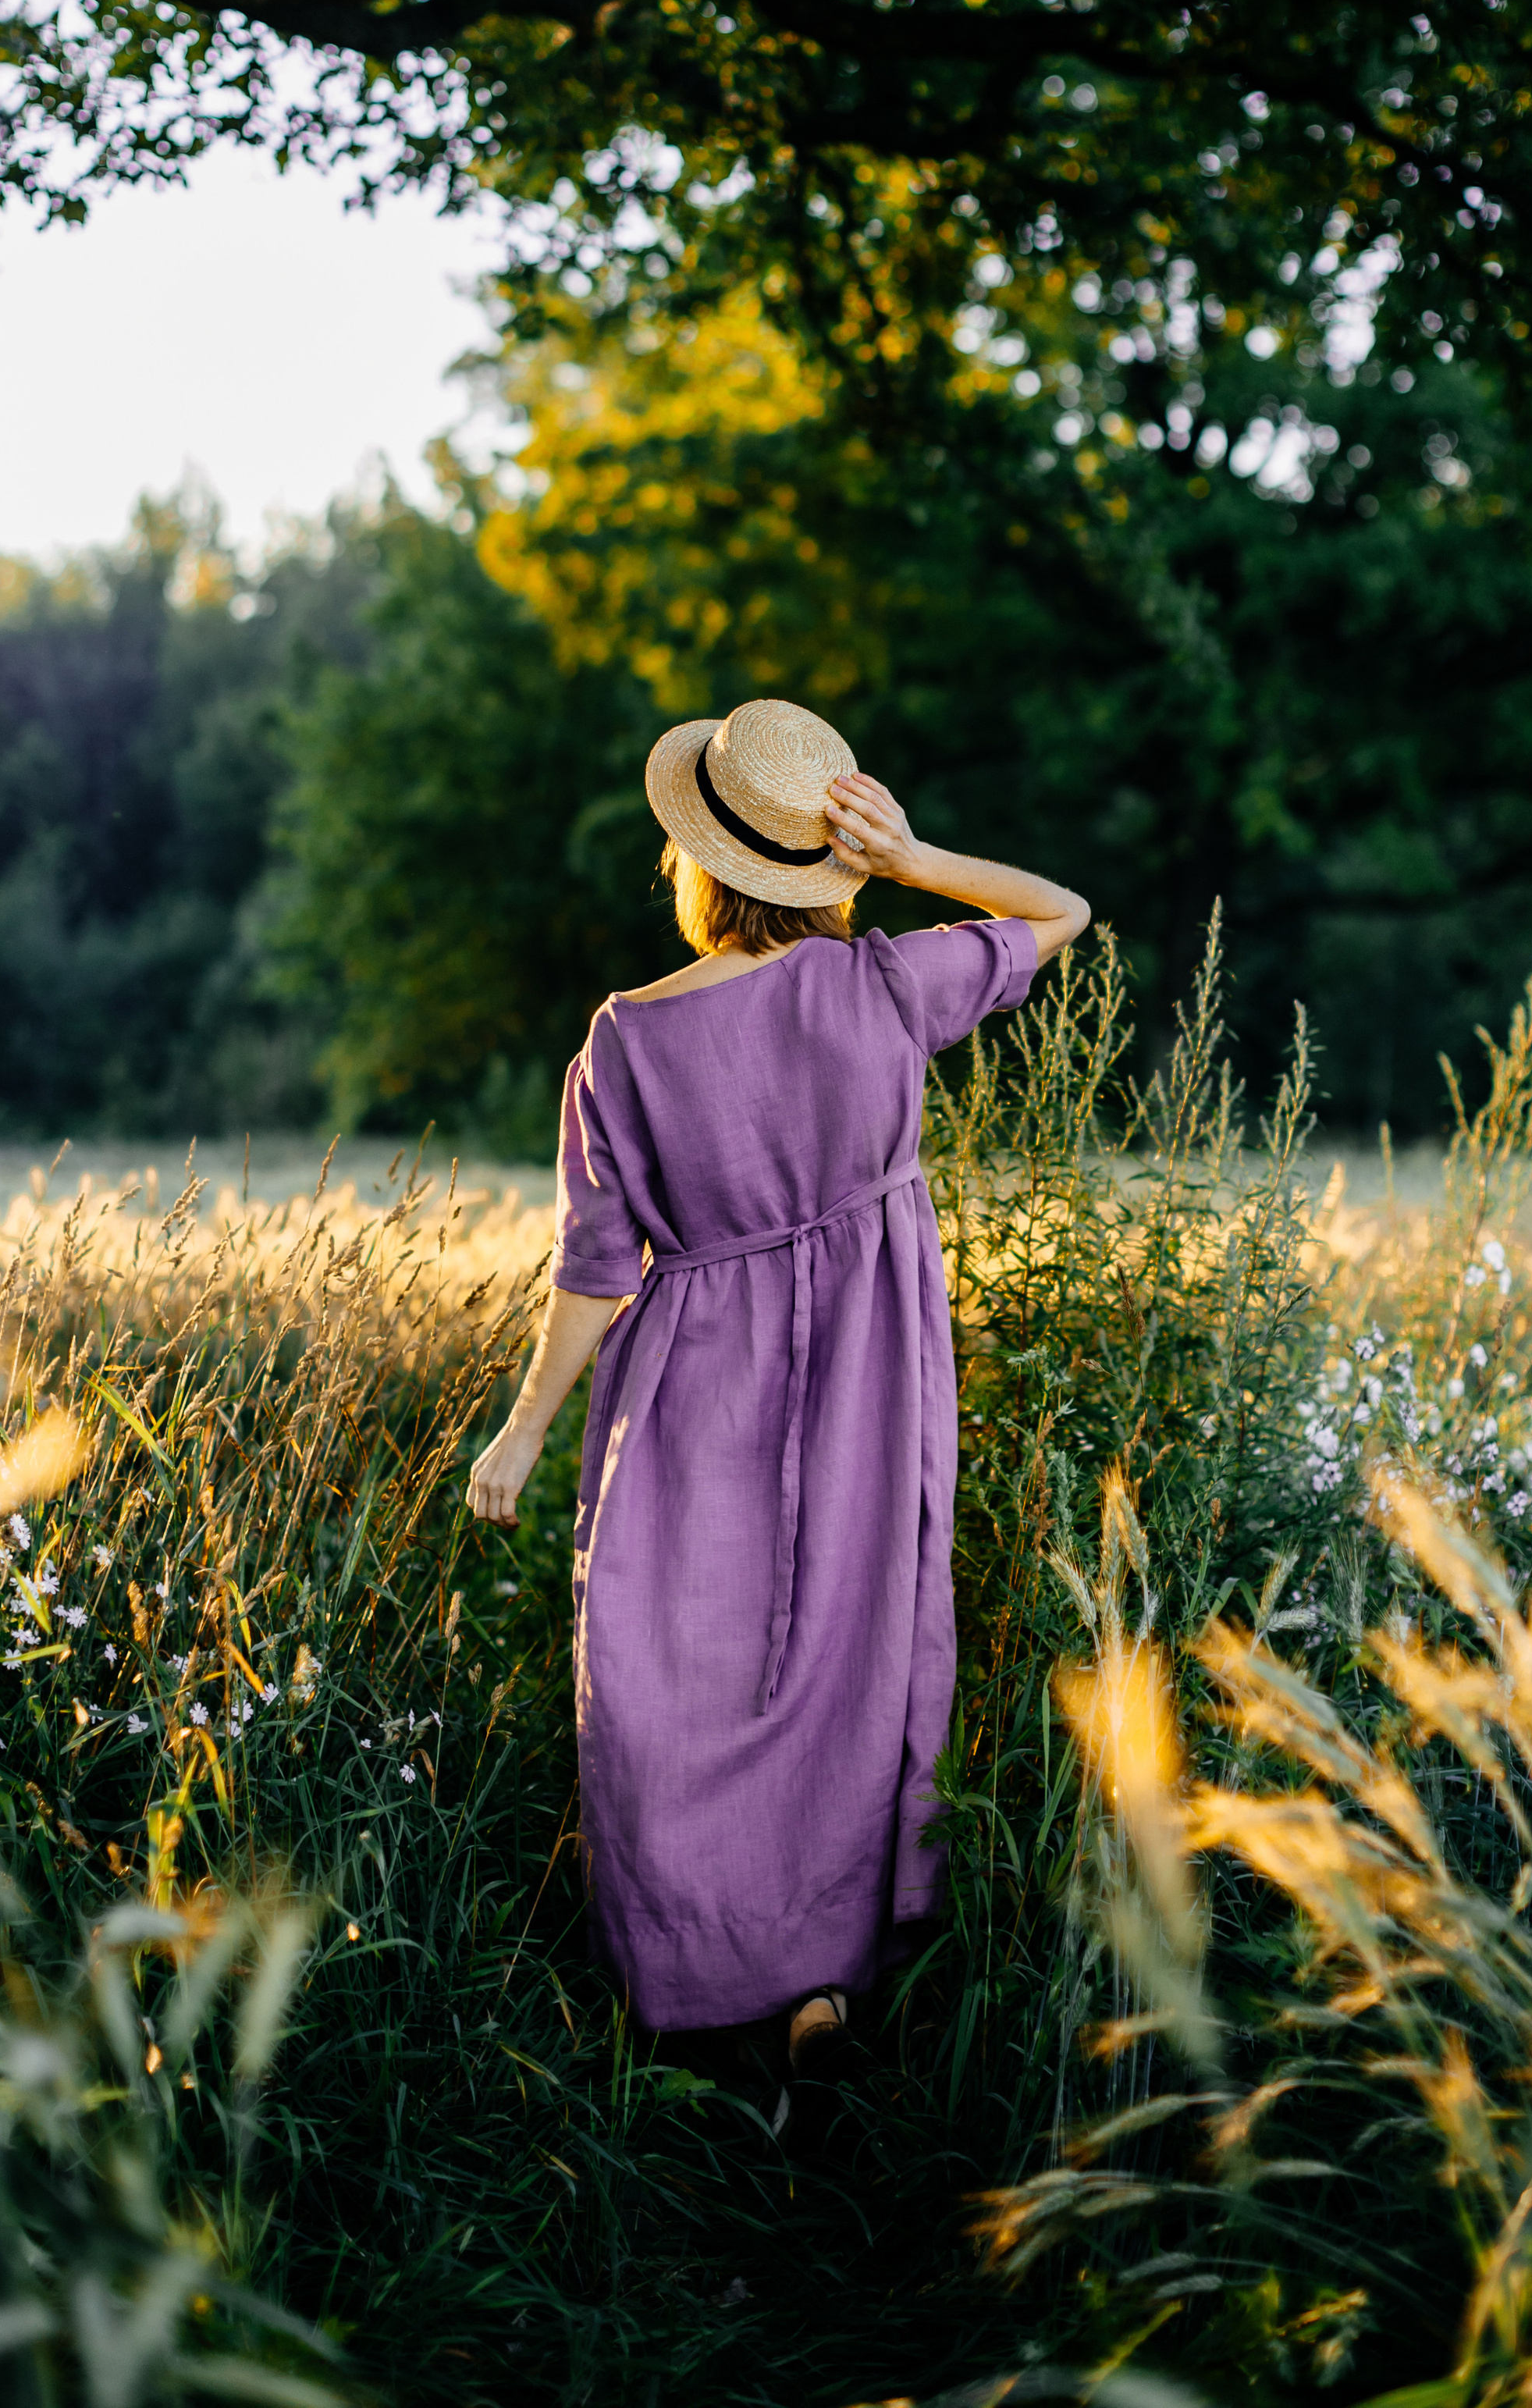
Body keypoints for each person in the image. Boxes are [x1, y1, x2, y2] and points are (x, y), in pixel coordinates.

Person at [465, 697, 1086, 2096]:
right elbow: (1062, 911)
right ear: (815, 865)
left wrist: (523, 1430)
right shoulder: (882, 986)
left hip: (688, 1378)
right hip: (871, 1373)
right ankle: (819, 1981)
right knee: (843, 1655)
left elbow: (590, 1264)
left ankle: (694, 1979)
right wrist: (915, 857)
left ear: (698, 868)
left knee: (670, 1663)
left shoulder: (624, 1037)